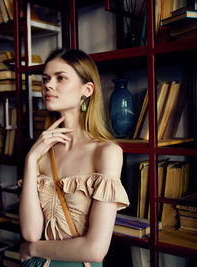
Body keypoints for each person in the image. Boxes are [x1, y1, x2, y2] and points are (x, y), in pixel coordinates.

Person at [19, 49, 129, 267]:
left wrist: (32, 249)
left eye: (60, 78)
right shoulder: (40, 152)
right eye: (45, 79)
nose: (48, 85)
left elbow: (95, 250)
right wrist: (31, 160)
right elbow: (30, 231)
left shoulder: (106, 152)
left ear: (87, 90)